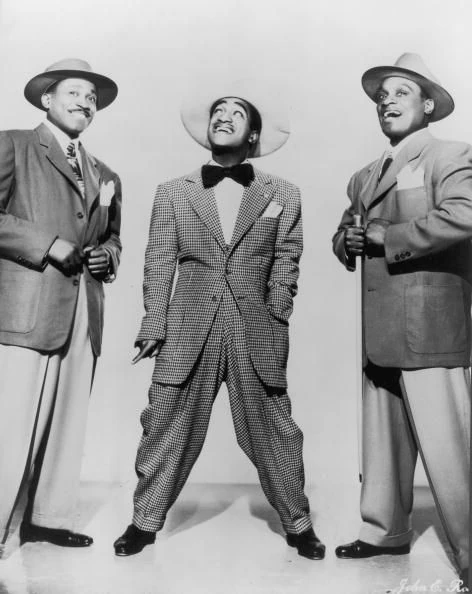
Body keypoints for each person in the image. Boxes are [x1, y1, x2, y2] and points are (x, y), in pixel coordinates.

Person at [113, 85, 324, 559]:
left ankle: (299, 524)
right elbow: (158, 261)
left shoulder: (283, 193)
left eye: (237, 113)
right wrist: (154, 324)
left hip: (256, 327)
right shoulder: (173, 192)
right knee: (165, 423)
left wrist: (277, 313)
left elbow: (287, 257)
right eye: (218, 111)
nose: (224, 117)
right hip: (187, 326)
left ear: (253, 135)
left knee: (274, 429)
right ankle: (143, 523)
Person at [332, 53, 470, 585]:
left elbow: (464, 214)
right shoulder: (364, 176)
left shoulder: (450, 155)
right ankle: (383, 532)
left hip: (430, 328)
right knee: (382, 442)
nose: (387, 101)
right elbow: (349, 229)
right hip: (381, 330)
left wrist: (386, 237)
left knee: (451, 451)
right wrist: (344, 241)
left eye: (401, 93)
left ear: (428, 106)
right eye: (381, 95)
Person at [0, 58, 122, 555]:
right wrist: (48, 244)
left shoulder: (105, 173)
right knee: (9, 423)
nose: (84, 103)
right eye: (74, 92)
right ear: (47, 99)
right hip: (26, 308)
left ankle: (46, 520)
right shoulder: (13, 145)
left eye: (91, 98)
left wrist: (108, 255)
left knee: (68, 421)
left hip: (83, 311)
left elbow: (113, 238)